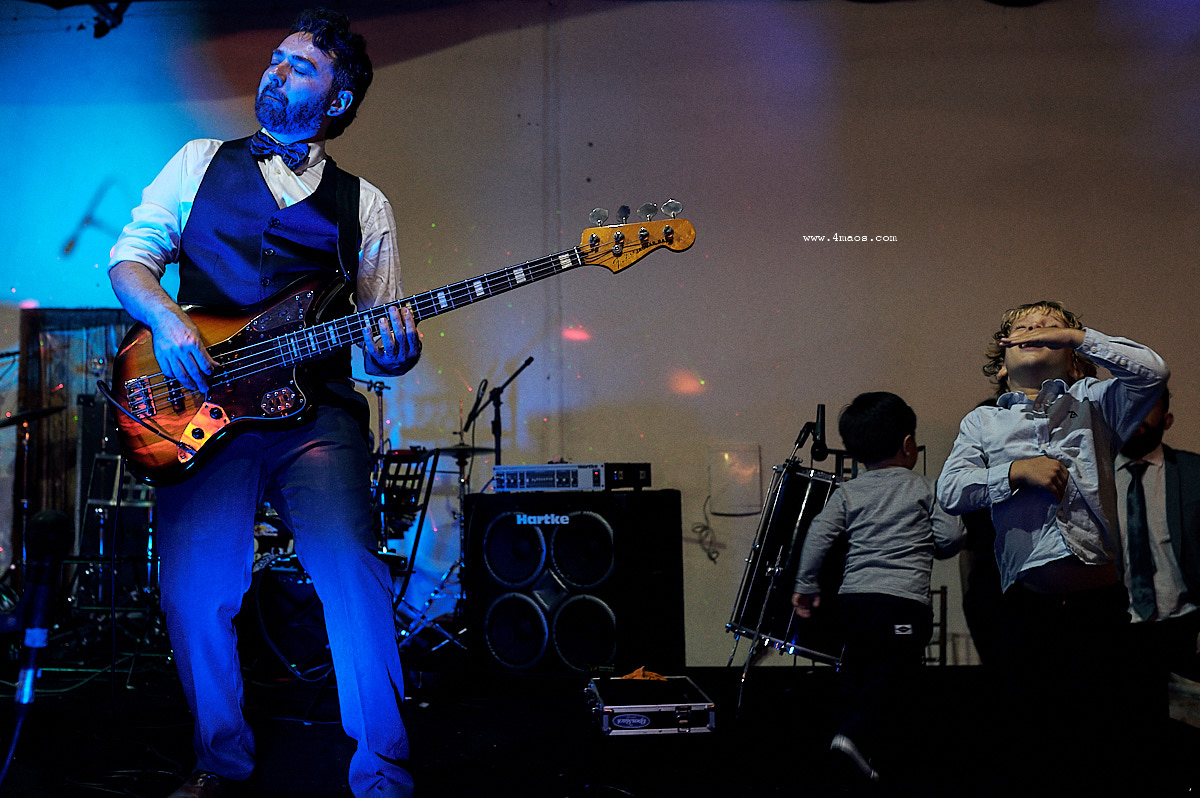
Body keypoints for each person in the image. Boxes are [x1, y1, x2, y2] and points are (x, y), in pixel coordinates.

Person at [107, 10, 418, 798]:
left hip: (316, 417)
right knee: (194, 592)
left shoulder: (366, 204)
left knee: (353, 573)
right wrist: (167, 319)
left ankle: (383, 772)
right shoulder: (197, 160)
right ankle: (220, 761)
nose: (275, 71)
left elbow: (384, 330)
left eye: (299, 66)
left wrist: (396, 350)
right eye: (276, 59)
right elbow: (130, 260)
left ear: (336, 100)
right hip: (203, 410)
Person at [937, 301, 1168, 796]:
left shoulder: (1097, 401)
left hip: (1097, 608)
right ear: (1002, 365)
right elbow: (950, 491)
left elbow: (1153, 373)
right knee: (1031, 742)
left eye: (1051, 327)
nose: (1036, 329)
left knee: (1101, 742)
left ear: (1074, 359)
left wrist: (1081, 338)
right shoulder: (982, 422)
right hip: (1027, 609)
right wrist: (1015, 472)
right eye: (1023, 327)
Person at [791, 392, 964, 785]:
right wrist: (934, 545)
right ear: (909, 445)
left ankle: (851, 754)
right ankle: (853, 740)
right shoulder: (926, 489)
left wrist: (806, 583)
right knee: (894, 674)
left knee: (856, 673)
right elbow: (952, 537)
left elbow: (818, 533)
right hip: (903, 604)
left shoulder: (848, 492)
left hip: (853, 602)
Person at [1115, 388, 1200, 744]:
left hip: (1183, 626)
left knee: (1184, 733)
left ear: (1167, 420)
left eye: (1147, 408)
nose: (1136, 416)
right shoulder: (1092, 478)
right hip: (1118, 630)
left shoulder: (1194, 473)